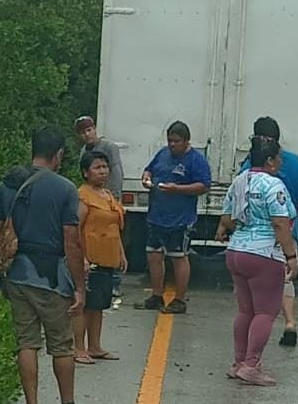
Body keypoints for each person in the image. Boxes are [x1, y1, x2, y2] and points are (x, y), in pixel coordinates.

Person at [0, 127, 90, 404]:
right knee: (61, 344)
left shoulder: (8, 185)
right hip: (51, 278)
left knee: (26, 342)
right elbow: (71, 241)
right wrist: (79, 288)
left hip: (17, 275)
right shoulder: (64, 189)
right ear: (58, 155)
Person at [216, 136, 298, 386]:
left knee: (245, 310)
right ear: (270, 161)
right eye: (278, 159)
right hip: (264, 253)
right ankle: (252, 365)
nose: (281, 163)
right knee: (266, 311)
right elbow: (280, 223)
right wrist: (291, 255)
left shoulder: (239, 182)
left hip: (237, 250)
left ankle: (239, 362)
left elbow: (227, 218)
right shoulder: (274, 186)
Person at [238, 116, 298, 347]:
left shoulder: (249, 165)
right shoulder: (297, 163)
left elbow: (240, 200)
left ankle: (250, 352)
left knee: (255, 296)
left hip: (254, 239)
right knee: (286, 279)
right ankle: (290, 322)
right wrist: (288, 217)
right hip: (288, 233)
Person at [135, 121, 211, 314]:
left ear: (186, 141)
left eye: (176, 141)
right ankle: (156, 295)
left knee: (178, 257)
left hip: (180, 219)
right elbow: (149, 169)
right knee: (154, 255)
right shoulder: (162, 154)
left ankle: (179, 299)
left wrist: (177, 189)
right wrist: (146, 178)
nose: (172, 144)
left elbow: (203, 185)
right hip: (156, 215)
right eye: (170, 140)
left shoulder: (196, 160)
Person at [72, 150, 127, 364]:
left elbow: (114, 226)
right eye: (97, 167)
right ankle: (78, 348)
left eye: (105, 167)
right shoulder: (83, 196)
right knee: (84, 304)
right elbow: (75, 228)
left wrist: (121, 253)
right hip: (90, 258)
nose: (103, 171)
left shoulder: (108, 195)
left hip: (107, 257)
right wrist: (82, 258)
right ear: (86, 172)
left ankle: (95, 346)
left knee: (99, 304)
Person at [75, 115, 125, 298]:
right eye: (82, 132)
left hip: (109, 198)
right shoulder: (84, 152)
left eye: (89, 130)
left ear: (95, 129)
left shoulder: (108, 147)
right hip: (93, 202)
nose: (87, 135)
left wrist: (114, 198)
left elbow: (116, 171)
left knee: (113, 233)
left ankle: (115, 281)